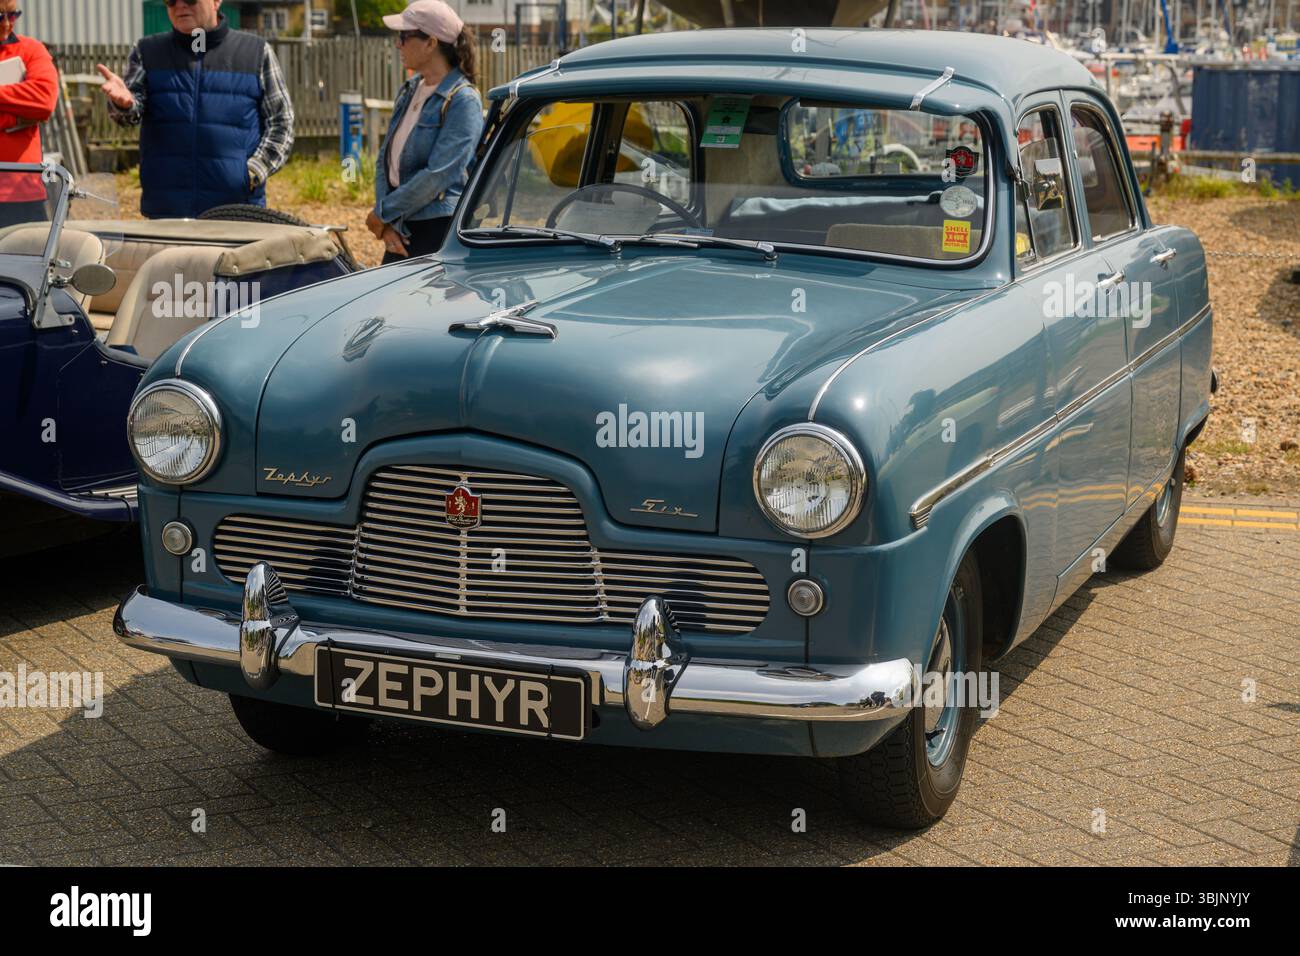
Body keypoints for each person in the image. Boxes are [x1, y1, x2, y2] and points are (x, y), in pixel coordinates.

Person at [95, 0, 294, 218]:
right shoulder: (147, 52)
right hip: (167, 212)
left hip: (237, 213)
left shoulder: (256, 52)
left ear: (216, 2)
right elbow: (130, 113)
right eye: (171, 0)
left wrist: (253, 171)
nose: (180, 5)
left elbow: (281, 122)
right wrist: (123, 105)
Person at [368, 0, 483, 263]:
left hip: (436, 231)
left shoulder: (463, 100)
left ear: (431, 43)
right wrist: (386, 222)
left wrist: (383, 213)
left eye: (404, 36)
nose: (398, 43)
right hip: (401, 224)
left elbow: (438, 175)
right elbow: (385, 158)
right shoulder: (410, 88)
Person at [0, 0, 58, 227]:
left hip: (21, 191)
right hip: (20, 186)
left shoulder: (31, 49)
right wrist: (15, 117)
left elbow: (44, 100)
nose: (6, 24)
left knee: (27, 261)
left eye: (13, 15)